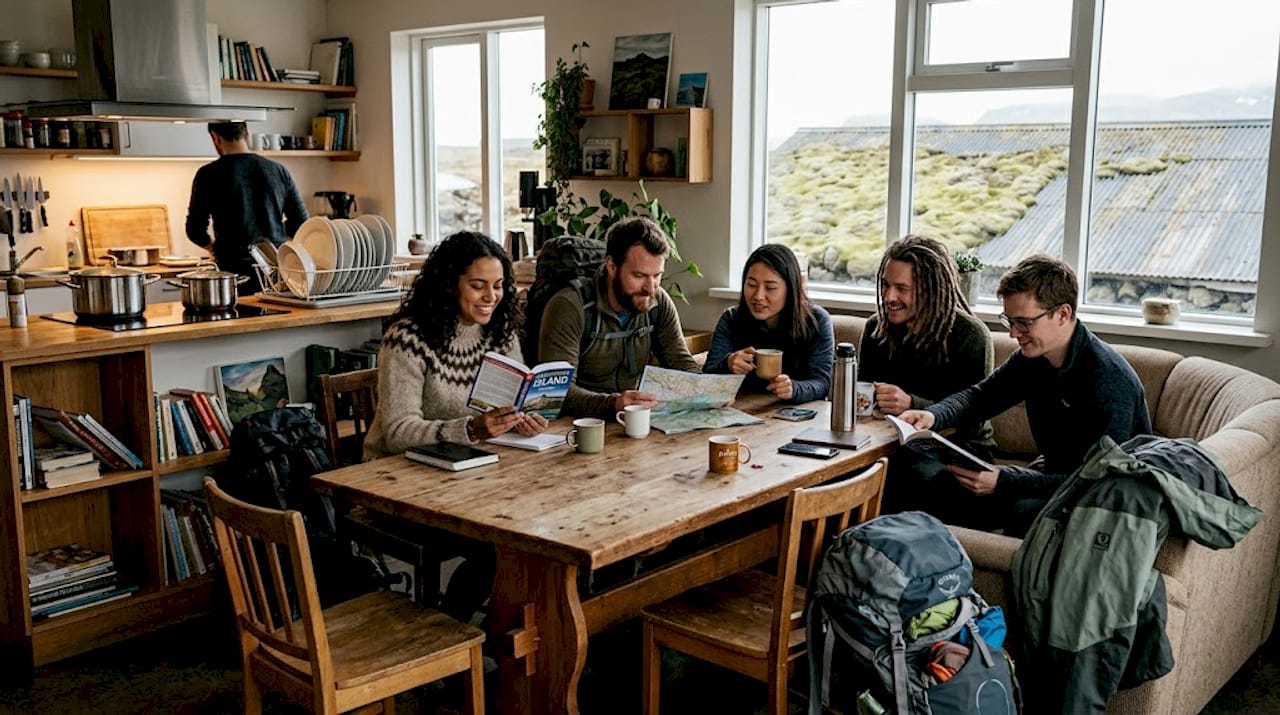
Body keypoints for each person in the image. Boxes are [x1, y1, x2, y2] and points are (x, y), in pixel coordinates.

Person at [362, 231, 547, 620]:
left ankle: (516, 639)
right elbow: (397, 432)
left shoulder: (501, 332)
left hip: (474, 474)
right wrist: (473, 429)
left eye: (498, 286)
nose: (490, 297)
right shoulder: (408, 338)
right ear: (449, 284)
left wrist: (521, 418)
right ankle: (451, 634)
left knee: (540, 524)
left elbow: (505, 404)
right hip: (398, 483)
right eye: (478, 286)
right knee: (496, 547)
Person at [898, 253, 1151, 536]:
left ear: (1063, 314)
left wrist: (1005, 481)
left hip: (1103, 497)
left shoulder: (1108, 381)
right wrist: (933, 415)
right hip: (1057, 477)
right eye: (1010, 321)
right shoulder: (1034, 359)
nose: (1013, 334)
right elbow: (981, 397)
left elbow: (1096, 479)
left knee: (1021, 513)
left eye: (1024, 323)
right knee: (933, 484)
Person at [858, 235, 996, 526]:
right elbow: (862, 399)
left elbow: (971, 418)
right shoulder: (875, 329)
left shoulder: (970, 335)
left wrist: (912, 404)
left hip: (960, 450)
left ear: (930, 290)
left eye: (902, 288)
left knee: (909, 477)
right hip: (887, 444)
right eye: (885, 284)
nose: (888, 296)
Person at [539, 216, 700, 419]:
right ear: (611, 266)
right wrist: (613, 404)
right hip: (577, 427)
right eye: (639, 276)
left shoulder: (657, 301)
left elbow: (680, 362)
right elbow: (555, 392)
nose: (650, 288)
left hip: (633, 421)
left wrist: (709, 391)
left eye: (657, 275)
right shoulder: (570, 306)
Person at [184, 121, 308, 294]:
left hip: (232, 274)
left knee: (238, 318)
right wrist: (275, 236)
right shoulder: (278, 171)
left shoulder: (208, 174)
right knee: (276, 317)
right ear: (246, 135)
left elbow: (194, 230)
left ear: (215, 138)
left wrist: (212, 247)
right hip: (276, 272)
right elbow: (301, 223)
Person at [704, 244, 834, 403]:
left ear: (790, 288)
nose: (758, 296)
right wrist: (728, 364)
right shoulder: (731, 318)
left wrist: (794, 388)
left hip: (795, 418)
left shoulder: (817, 321)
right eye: (751, 285)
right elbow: (707, 377)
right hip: (742, 410)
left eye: (770, 288)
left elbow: (822, 383)